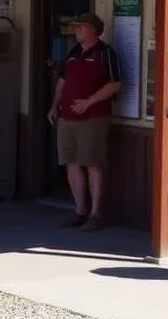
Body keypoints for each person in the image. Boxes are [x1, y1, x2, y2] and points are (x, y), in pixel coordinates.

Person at [47, 13, 121, 231]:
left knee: (92, 163)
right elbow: (62, 81)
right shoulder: (73, 52)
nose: (77, 30)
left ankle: (95, 213)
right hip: (67, 116)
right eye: (76, 27)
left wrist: (89, 102)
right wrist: (54, 106)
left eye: (81, 27)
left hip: (93, 117)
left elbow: (114, 84)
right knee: (71, 162)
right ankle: (79, 210)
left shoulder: (105, 53)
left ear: (93, 30)